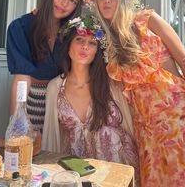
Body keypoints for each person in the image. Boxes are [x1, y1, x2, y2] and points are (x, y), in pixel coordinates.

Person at [86, 0, 185, 186]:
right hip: (147, 129)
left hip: (179, 117)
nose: (107, 1)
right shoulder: (104, 39)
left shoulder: (147, 19)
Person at [42, 13, 141, 186]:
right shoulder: (55, 88)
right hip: (77, 171)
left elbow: (132, 124)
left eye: (92, 43)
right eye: (79, 39)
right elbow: (52, 136)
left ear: (97, 51)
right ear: (68, 46)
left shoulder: (112, 84)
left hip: (117, 168)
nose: (85, 47)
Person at [7, 0, 88, 132]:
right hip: (32, 99)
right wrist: (17, 119)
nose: (65, 4)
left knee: (62, 153)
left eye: (73, 0)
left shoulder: (74, 33)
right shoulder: (21, 27)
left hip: (66, 101)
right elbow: (22, 78)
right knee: (29, 148)